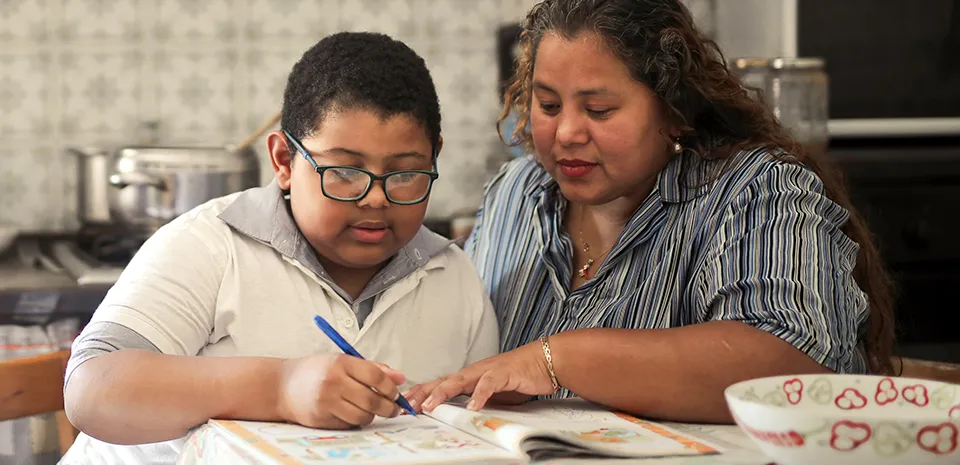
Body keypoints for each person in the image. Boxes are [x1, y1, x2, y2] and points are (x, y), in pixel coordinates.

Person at [405, 0, 896, 424]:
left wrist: (559, 359)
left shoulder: (757, 193)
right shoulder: (515, 192)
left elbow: (791, 368)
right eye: (548, 105)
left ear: (672, 110)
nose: (566, 132)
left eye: (598, 110)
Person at [60, 32, 499, 465]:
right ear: (284, 162)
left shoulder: (452, 277)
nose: (375, 198)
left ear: (434, 158)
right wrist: (280, 387)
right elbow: (92, 389)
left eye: (405, 173)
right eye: (345, 171)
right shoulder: (210, 244)